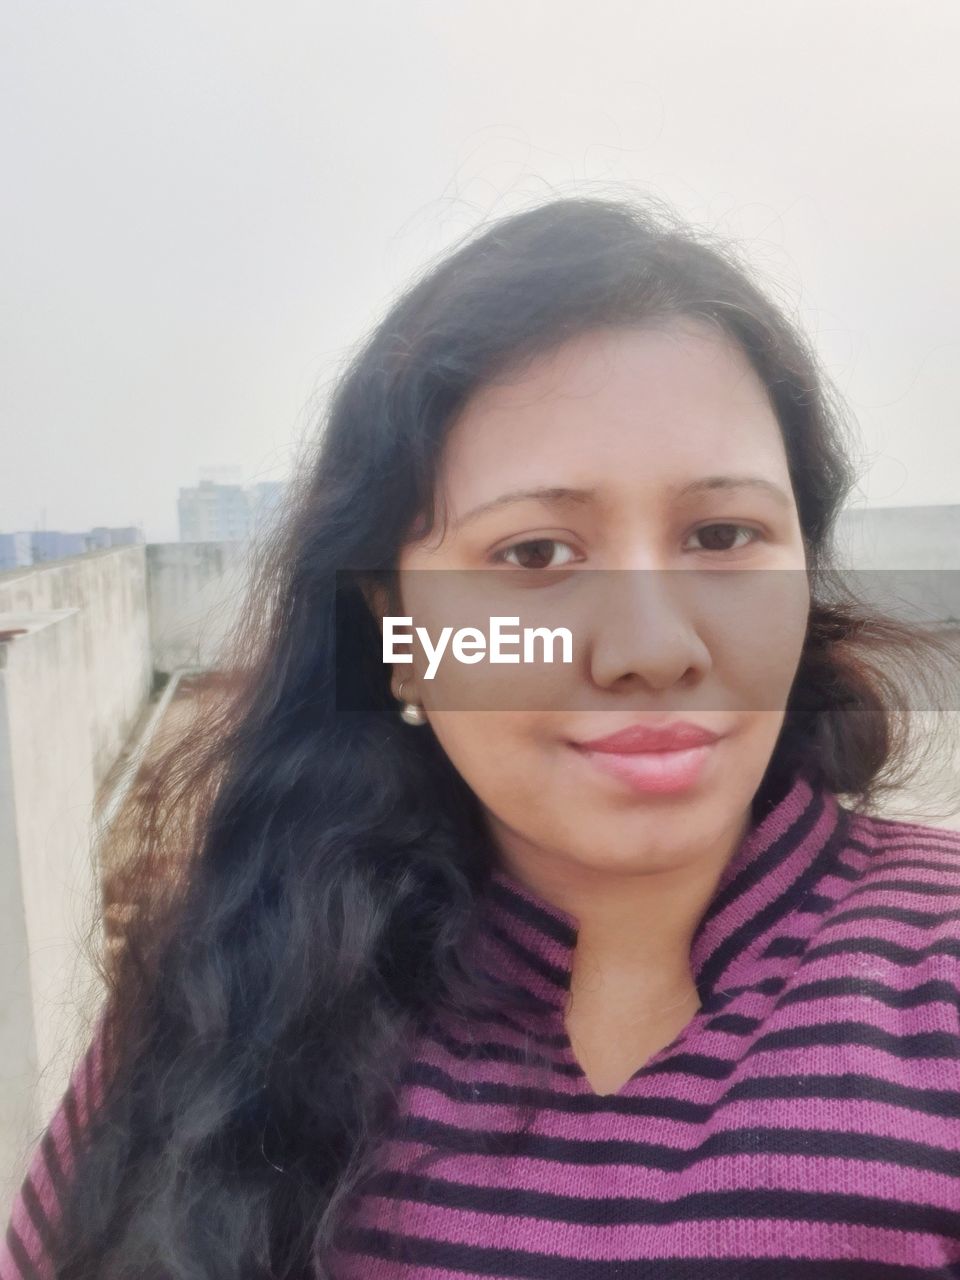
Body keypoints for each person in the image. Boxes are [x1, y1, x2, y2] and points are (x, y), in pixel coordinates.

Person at [4, 195, 960, 1279]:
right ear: (395, 629)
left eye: (722, 534)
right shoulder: (223, 1004)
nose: (652, 647)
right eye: (537, 553)